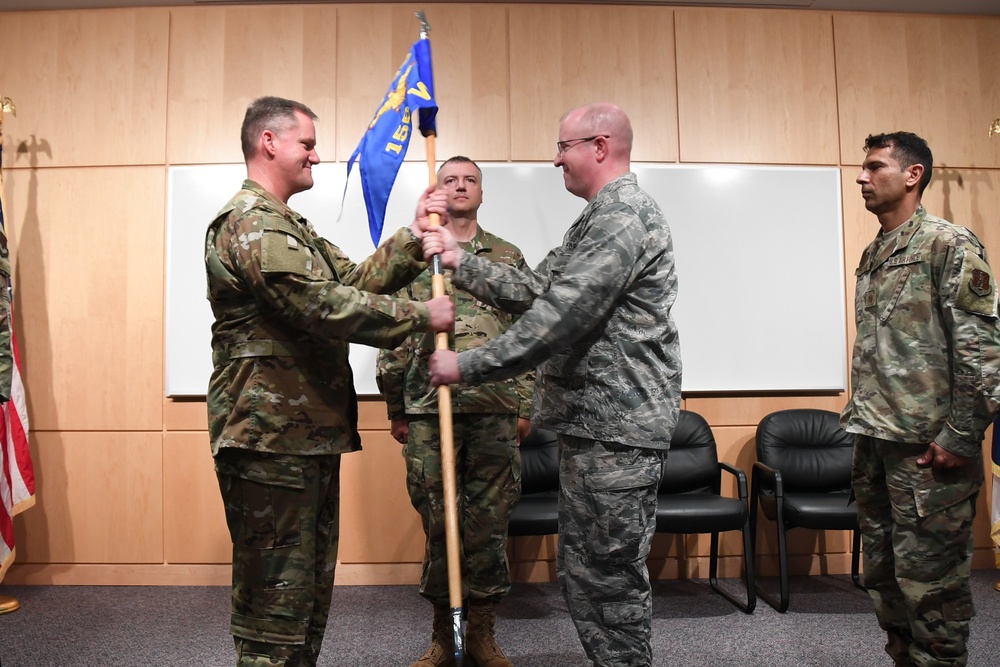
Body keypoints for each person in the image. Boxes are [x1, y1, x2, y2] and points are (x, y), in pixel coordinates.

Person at [424, 103, 682, 667]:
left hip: (618, 428)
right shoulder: (595, 218)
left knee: (609, 581)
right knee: (588, 574)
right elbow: (538, 288)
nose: (556, 157)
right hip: (594, 426)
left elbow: (561, 315)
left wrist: (466, 366)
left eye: (564, 147)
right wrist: (458, 259)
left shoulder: (624, 215)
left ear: (600, 145)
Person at [205, 95, 456, 667]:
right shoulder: (248, 222)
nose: (317, 157)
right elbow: (318, 305)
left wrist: (416, 237)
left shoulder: (293, 226)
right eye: (308, 144)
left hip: (305, 434)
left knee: (308, 595)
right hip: (267, 437)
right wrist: (421, 317)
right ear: (269, 142)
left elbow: (355, 279)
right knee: (275, 603)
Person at [841, 131, 1000, 667]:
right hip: (878, 443)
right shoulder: (875, 252)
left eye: (874, 167)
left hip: (928, 454)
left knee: (932, 593)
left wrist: (960, 434)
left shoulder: (948, 244)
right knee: (884, 581)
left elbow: (981, 353)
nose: (861, 177)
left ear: (912, 175)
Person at [376, 156, 534, 667]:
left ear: (482, 194)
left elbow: (531, 333)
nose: (461, 186)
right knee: (441, 525)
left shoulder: (506, 255)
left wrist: (525, 405)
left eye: (470, 180)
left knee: (487, 526)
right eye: (450, 180)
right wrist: (396, 405)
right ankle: (445, 634)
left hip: (494, 408)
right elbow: (392, 333)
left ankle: (484, 634)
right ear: (438, 192)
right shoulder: (416, 255)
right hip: (428, 408)